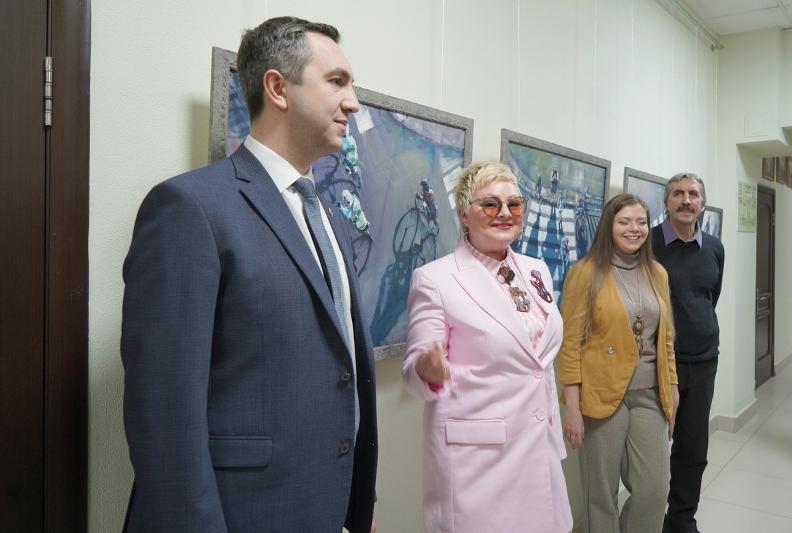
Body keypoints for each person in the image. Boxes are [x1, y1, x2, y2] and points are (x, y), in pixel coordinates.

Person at [120, 17, 378, 533]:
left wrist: (355, 506)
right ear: (278, 88)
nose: (353, 102)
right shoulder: (189, 207)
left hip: (325, 508)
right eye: (336, 82)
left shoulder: (324, 212)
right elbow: (164, 412)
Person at [401, 161, 573, 533]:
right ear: (464, 213)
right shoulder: (436, 279)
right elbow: (415, 367)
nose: (505, 213)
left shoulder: (536, 271)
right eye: (491, 204)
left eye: (515, 204)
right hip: (479, 459)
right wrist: (426, 370)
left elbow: (538, 361)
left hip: (538, 444)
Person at [559, 193, 679, 533]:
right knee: (600, 494)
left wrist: (672, 388)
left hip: (649, 394)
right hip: (599, 395)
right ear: (608, 226)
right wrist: (572, 407)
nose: (634, 229)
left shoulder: (658, 273)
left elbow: (666, 340)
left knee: (654, 490)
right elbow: (571, 344)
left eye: (641, 222)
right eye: (624, 221)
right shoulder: (585, 273)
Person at [654, 173, 724, 533]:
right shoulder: (649, 244)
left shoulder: (714, 247)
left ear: (702, 203)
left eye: (693, 194)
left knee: (693, 450)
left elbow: (710, 296)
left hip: (703, 362)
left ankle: (681, 519)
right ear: (666, 202)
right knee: (651, 450)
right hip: (656, 365)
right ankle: (647, 518)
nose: (686, 200)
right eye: (678, 194)